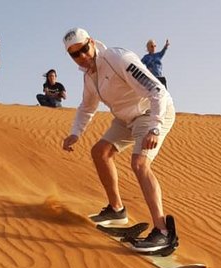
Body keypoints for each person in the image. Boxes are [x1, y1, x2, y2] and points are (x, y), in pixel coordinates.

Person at [62, 28, 176, 252]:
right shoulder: (89, 76)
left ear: (92, 42)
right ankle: (117, 210)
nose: (82, 56)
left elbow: (157, 90)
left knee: (140, 164)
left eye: (84, 49)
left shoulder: (117, 58)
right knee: (100, 152)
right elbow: (87, 107)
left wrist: (154, 126)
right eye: (75, 54)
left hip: (150, 112)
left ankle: (163, 232)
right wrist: (75, 133)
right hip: (125, 119)